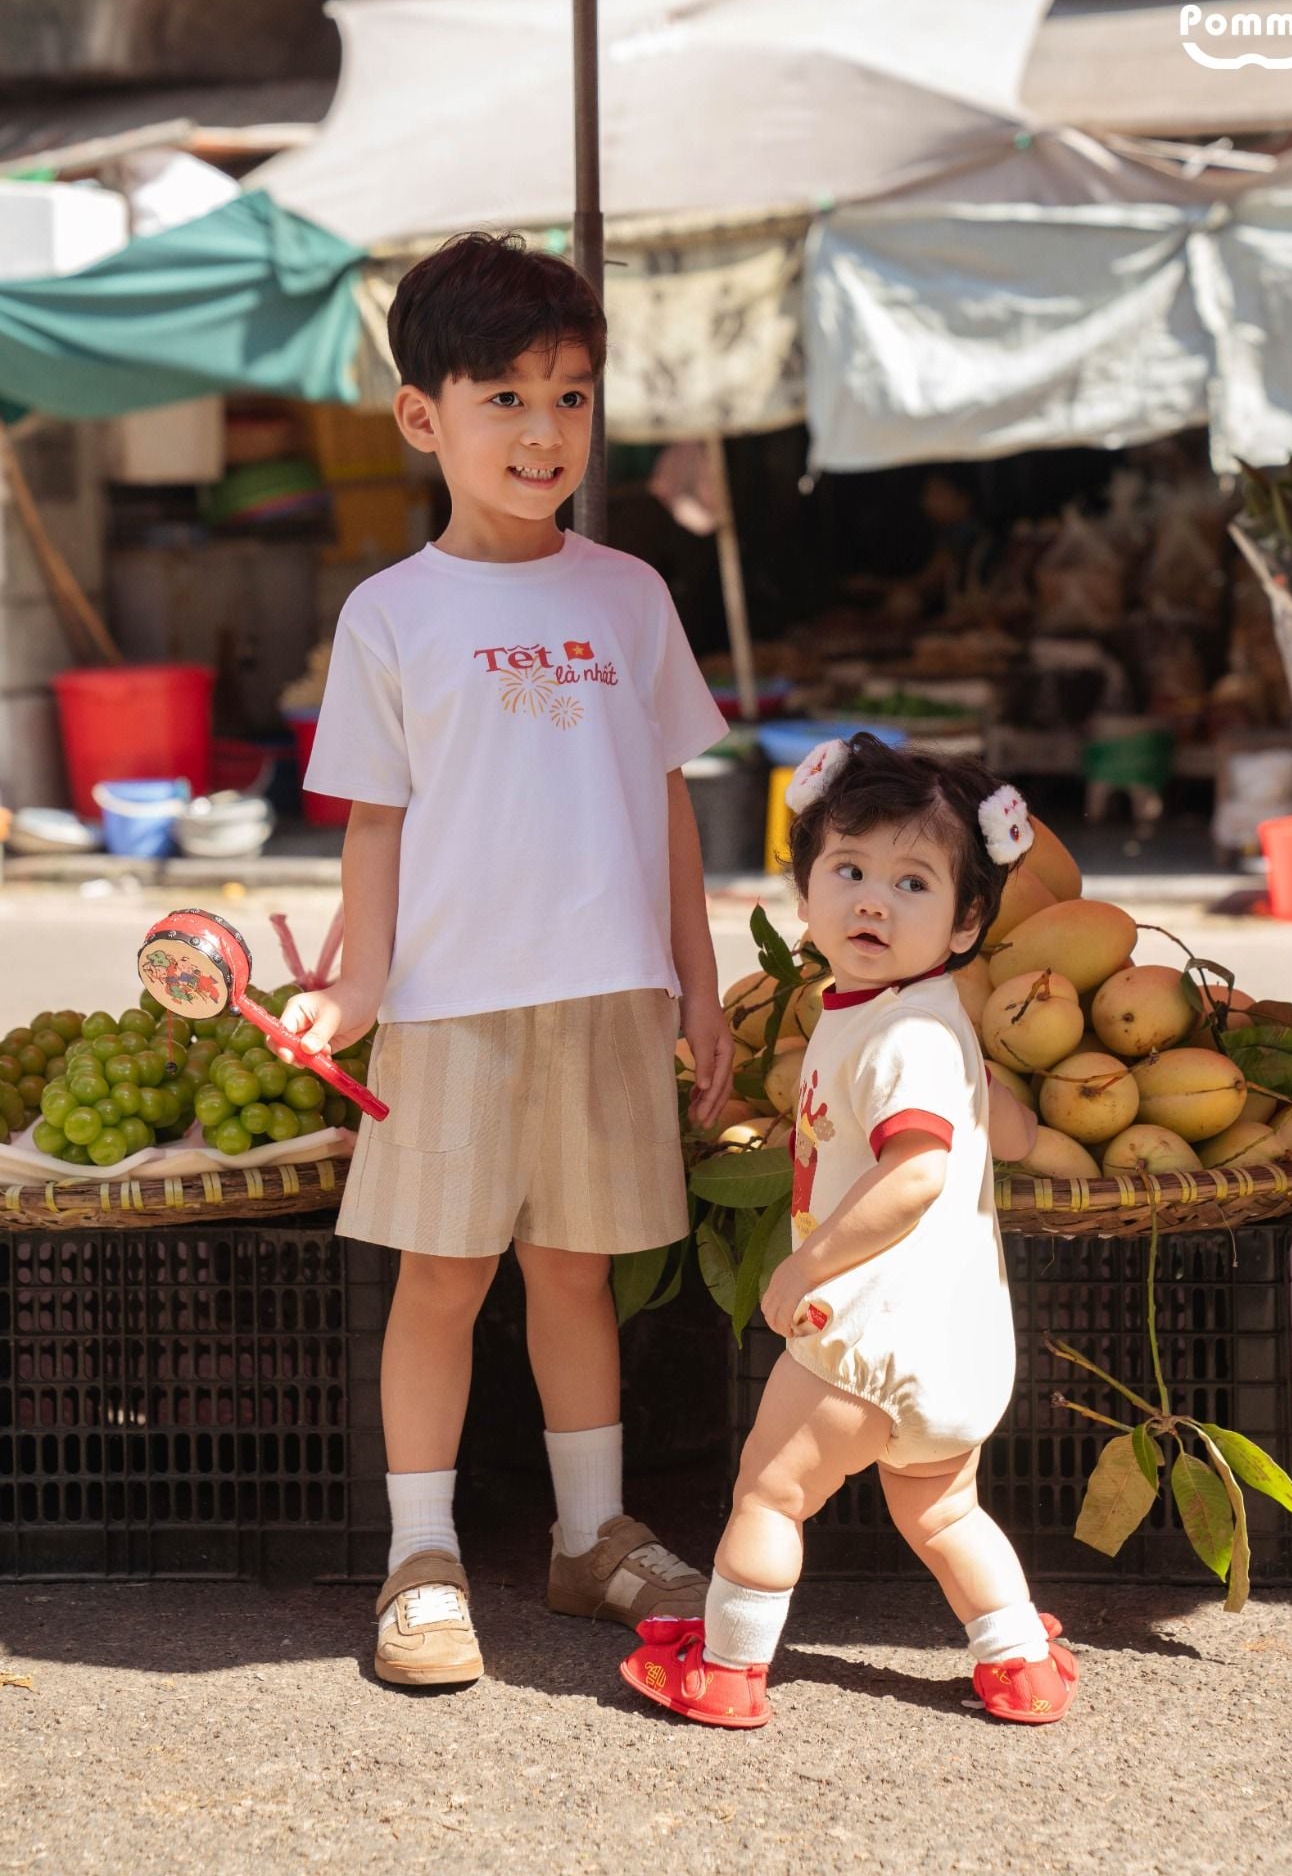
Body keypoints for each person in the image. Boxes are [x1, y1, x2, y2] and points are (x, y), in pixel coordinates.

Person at [284, 232, 733, 1688]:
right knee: (441, 1279)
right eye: (507, 400)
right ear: (423, 417)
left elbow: (667, 799)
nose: (546, 433)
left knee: (576, 1275)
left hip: (610, 994)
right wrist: (356, 989)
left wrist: (700, 980)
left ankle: (591, 1534)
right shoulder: (390, 615)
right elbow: (376, 818)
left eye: (573, 398)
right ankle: (421, 1556)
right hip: (448, 1004)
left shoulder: (628, 595)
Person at [620, 735, 1080, 1727]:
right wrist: (1023, 1125)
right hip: (958, 1347)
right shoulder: (925, 1012)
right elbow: (1002, 1122)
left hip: (864, 1334)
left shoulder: (903, 1033)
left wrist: (809, 1261)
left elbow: (914, 1171)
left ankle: (731, 1667)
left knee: (770, 1493)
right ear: (805, 893)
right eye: (850, 869)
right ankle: (1018, 1660)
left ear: (965, 922)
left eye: (913, 881)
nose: (874, 898)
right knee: (945, 1509)